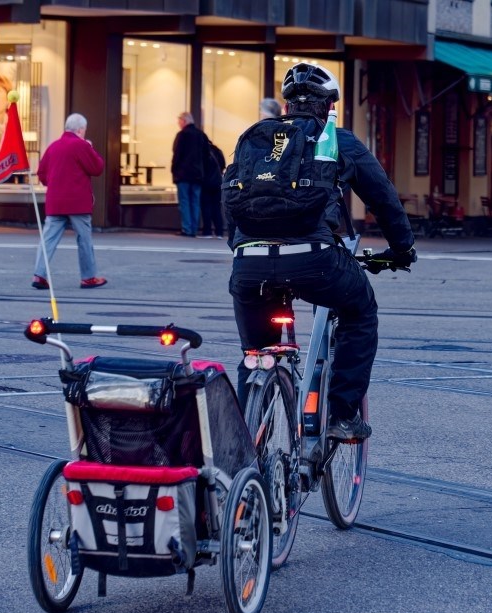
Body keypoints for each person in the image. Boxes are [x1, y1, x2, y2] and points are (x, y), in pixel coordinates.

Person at [226, 63, 416, 442]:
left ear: (286, 107)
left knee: (257, 353)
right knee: (360, 310)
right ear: (329, 105)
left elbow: (231, 201)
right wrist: (401, 249)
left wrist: (242, 250)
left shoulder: (257, 142)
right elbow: (384, 198)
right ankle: (342, 415)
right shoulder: (338, 140)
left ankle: (248, 440)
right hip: (314, 261)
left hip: (248, 265)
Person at [31, 113, 107, 290]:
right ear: (80, 130)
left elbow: (41, 173)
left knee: (48, 240)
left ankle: (39, 275)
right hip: (78, 203)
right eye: (84, 130)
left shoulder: (53, 147)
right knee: (84, 240)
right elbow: (97, 168)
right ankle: (88, 278)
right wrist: (90, 148)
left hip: (55, 202)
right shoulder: (81, 145)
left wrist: (55, 184)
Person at [171, 111, 213, 237]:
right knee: (195, 201)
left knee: (184, 201)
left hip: (183, 174)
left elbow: (177, 154)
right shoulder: (201, 135)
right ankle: (193, 229)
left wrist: (174, 170)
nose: (178, 124)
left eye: (179, 121)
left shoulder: (182, 135)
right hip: (198, 175)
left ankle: (187, 229)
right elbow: (207, 155)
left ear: (184, 121)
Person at [201, 142, 225, 239]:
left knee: (206, 207)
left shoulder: (203, 153)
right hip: (218, 182)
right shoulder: (218, 151)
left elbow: (201, 168)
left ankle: (207, 232)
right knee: (217, 208)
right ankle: (219, 232)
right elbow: (223, 165)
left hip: (206, 182)